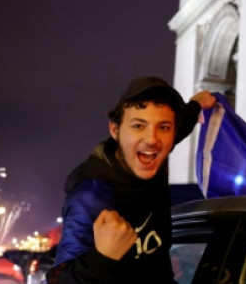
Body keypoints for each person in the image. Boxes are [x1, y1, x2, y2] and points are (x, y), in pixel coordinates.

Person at [46, 76, 216, 284]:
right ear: (115, 130)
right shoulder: (92, 195)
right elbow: (57, 280)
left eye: (163, 128)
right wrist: (102, 258)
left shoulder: (154, 154)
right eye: (138, 126)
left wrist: (197, 104)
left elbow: (182, 123)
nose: (152, 139)